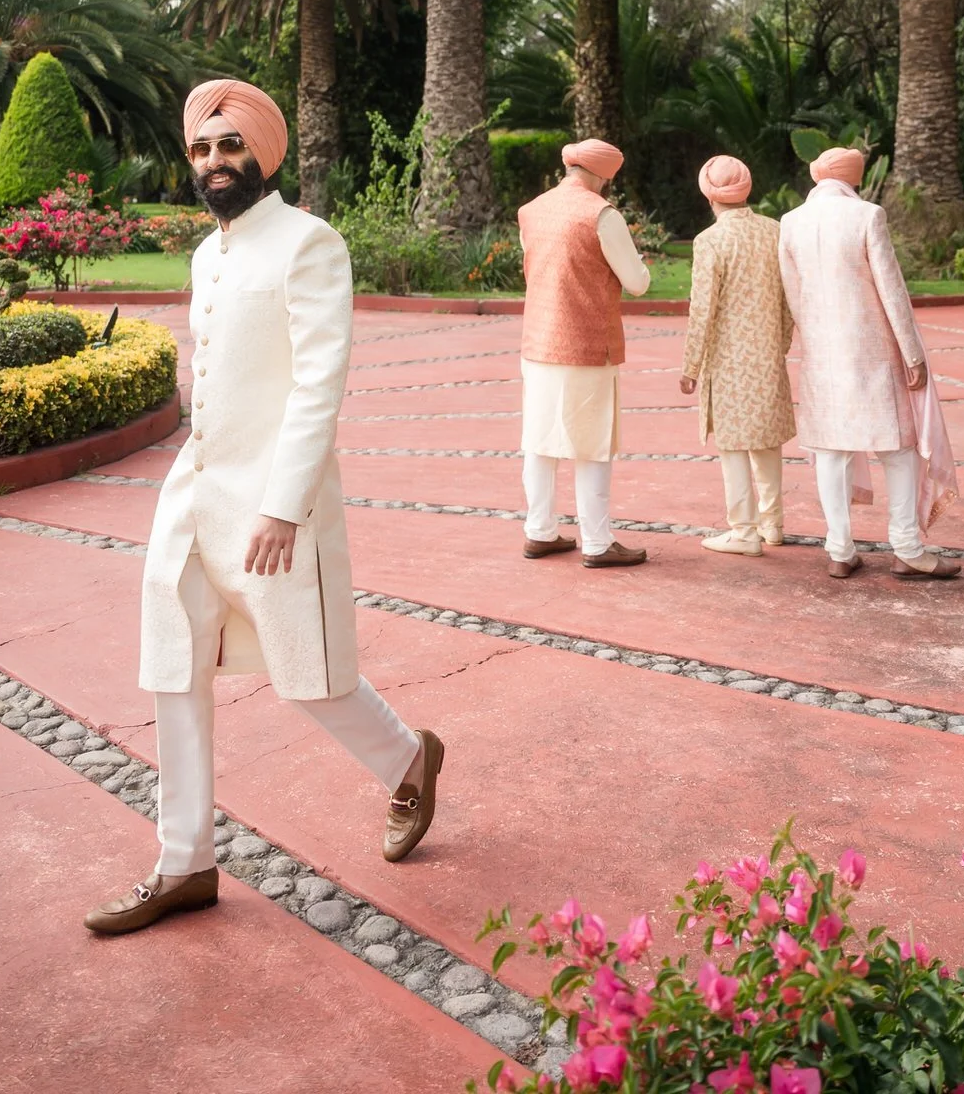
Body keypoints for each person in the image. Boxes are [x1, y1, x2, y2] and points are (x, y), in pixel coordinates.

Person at [85, 78, 444, 937]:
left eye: (229, 146)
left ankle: (407, 758)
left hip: (275, 506)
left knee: (310, 677)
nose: (215, 163)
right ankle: (184, 863)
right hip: (192, 497)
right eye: (203, 149)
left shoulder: (308, 244)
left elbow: (319, 385)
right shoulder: (207, 254)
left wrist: (282, 506)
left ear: (263, 153)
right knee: (173, 670)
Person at [777, 147, 960, 582]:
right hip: (874, 351)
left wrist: (818, 338)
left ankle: (839, 551)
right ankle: (907, 549)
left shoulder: (791, 222)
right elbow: (891, 289)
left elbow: (794, 295)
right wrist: (913, 353)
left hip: (821, 354)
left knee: (831, 452)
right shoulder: (867, 216)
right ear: (853, 178)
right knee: (899, 449)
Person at [516, 138, 651, 569]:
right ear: (603, 176)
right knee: (591, 444)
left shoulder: (531, 210)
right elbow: (637, 282)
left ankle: (539, 531)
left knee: (539, 441)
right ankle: (596, 542)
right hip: (588, 344)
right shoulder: (602, 214)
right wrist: (641, 264)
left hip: (537, 341)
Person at [678, 154, 795, 555]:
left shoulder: (710, 241)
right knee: (766, 442)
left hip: (727, 360)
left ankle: (744, 532)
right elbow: (788, 299)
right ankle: (773, 524)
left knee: (732, 445)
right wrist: (779, 345)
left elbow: (702, 308)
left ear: (708, 194)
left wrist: (691, 366)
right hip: (767, 354)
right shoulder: (774, 232)